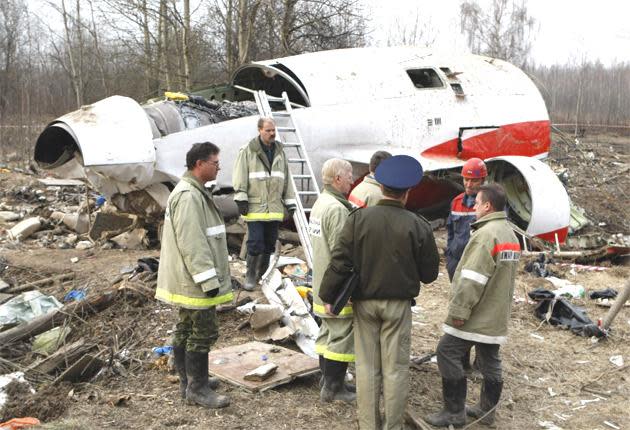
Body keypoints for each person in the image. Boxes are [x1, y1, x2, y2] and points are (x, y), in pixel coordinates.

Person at [319, 155, 440, 430]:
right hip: (398, 307)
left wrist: (328, 296)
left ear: (381, 186)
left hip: (364, 305)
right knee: (395, 370)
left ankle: (368, 425)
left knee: (367, 368)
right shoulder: (418, 225)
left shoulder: (358, 219)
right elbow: (430, 275)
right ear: (407, 192)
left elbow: (340, 261)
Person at [425, 183, 520, 428]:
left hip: (477, 313)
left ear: (488, 206)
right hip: (496, 314)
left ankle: (454, 412)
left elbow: (472, 279)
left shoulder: (486, 235)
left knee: (446, 352)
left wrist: (459, 311)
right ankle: (487, 412)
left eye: (477, 203)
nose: (474, 207)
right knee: (490, 359)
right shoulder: (509, 233)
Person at [155, 142, 233, 409]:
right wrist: (208, 280)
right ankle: (196, 388)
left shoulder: (194, 191)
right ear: (199, 164)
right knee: (202, 330)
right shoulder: (189, 196)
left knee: (186, 327)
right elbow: (193, 243)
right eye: (215, 162)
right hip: (195, 281)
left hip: (189, 279)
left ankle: (188, 381)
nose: (218, 167)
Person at [309, 158, 356, 403]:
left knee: (327, 334)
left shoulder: (321, 203)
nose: (352, 178)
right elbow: (343, 254)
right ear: (337, 178)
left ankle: (327, 381)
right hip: (335, 287)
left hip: (321, 283)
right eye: (349, 175)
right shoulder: (337, 210)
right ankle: (334, 389)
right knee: (340, 336)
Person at [232, 117, 297, 291]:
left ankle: (261, 274)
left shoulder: (280, 152)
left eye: (273, 130)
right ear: (259, 130)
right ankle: (251, 275)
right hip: (255, 208)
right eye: (268, 130)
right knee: (255, 242)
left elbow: (286, 179)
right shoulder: (247, 151)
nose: (272, 133)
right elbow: (240, 175)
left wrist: (290, 203)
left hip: (274, 208)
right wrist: (241, 198)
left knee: (269, 243)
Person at [445, 158, 488, 281]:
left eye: (474, 181)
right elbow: (450, 231)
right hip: (456, 262)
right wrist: (450, 258)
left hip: (478, 264)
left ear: (483, 180)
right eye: (466, 179)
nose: (468, 184)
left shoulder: (490, 204)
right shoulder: (456, 202)